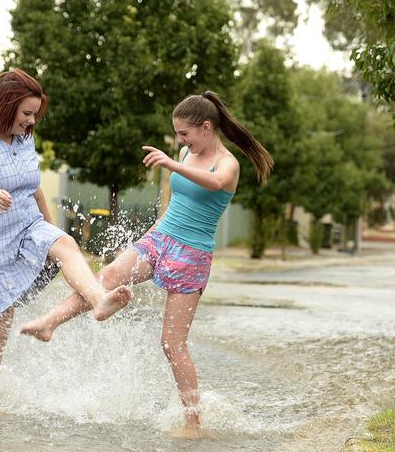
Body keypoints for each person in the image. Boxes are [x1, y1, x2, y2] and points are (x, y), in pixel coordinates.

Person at [20, 91, 273, 435]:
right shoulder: (186, 152)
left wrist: (171, 164)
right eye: (177, 135)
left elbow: (215, 183)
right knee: (106, 276)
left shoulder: (227, 164)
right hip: (160, 238)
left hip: (192, 255)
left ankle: (193, 421)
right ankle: (49, 323)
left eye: (185, 133)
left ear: (206, 127)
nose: (180, 141)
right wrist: (147, 236)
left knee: (171, 343)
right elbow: (176, 202)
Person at [0, 68, 132, 408]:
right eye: (27, 113)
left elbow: (33, 189)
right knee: (0, 321)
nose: (32, 121)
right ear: (6, 106)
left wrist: (52, 231)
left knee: (66, 244)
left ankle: (99, 299)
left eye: (35, 114)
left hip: (28, 224)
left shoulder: (25, 139)